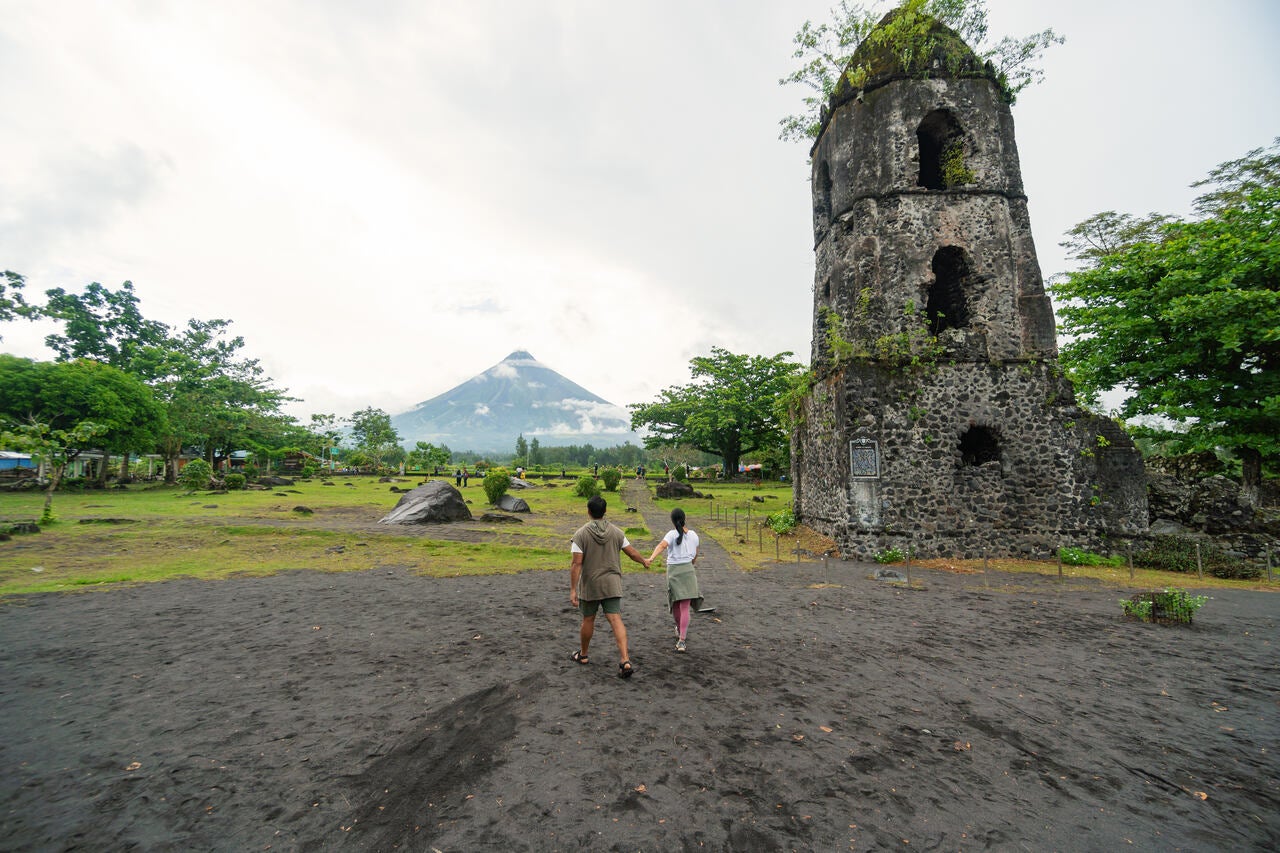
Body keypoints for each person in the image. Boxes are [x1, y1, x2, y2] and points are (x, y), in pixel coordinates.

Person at [569, 494, 649, 677]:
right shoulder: (617, 532)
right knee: (615, 619)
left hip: (591, 584)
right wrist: (643, 561)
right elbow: (631, 553)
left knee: (588, 619)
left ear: (588, 512)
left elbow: (576, 564)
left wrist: (573, 589)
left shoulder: (580, 534)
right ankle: (625, 660)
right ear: (605, 512)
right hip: (612, 583)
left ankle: (583, 655)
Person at [647, 507, 702, 653]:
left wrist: (651, 559)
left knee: (676, 604)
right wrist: (690, 565)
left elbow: (661, 546)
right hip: (688, 570)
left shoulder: (671, 534)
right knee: (685, 606)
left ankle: (680, 630)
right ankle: (682, 639)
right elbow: (695, 554)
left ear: (672, 521)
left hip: (674, 572)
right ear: (684, 519)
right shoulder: (693, 535)